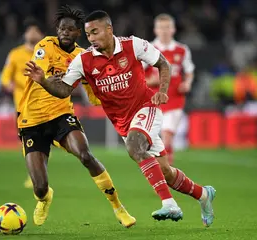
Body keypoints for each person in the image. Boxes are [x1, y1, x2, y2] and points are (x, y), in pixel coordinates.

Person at [25, 10, 216, 227]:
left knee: (135, 147)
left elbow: (163, 63)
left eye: (95, 32)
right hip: (122, 122)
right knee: (166, 172)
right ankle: (203, 195)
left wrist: (162, 90)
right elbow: (63, 90)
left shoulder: (133, 45)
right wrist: (43, 81)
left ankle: (169, 204)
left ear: (109, 29)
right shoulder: (83, 60)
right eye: (88, 35)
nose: (92, 38)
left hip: (146, 107)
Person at [18, 6, 135, 227]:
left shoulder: (83, 57)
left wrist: (114, 96)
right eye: (62, 28)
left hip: (62, 115)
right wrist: (45, 79)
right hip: (31, 120)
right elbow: (45, 79)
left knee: (85, 155)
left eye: (70, 29)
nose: (64, 32)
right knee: (40, 187)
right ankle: (44, 198)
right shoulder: (45, 46)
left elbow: (94, 95)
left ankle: (118, 206)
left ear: (78, 34)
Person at [145, 14, 195, 165]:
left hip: (174, 100)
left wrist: (188, 83)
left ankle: (168, 171)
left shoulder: (181, 50)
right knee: (154, 141)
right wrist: (149, 81)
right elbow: (136, 74)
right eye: (161, 27)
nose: (164, 31)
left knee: (167, 136)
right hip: (152, 101)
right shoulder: (148, 49)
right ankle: (162, 170)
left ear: (173, 29)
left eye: (167, 27)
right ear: (155, 30)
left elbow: (189, 71)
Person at [1, 20, 45, 188]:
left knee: (43, 140)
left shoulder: (46, 53)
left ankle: (39, 173)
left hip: (44, 102)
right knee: (28, 141)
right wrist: (8, 84)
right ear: (25, 35)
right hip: (22, 105)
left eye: (36, 30)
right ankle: (33, 174)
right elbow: (5, 76)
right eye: (30, 30)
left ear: (41, 35)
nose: (32, 33)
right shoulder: (15, 54)